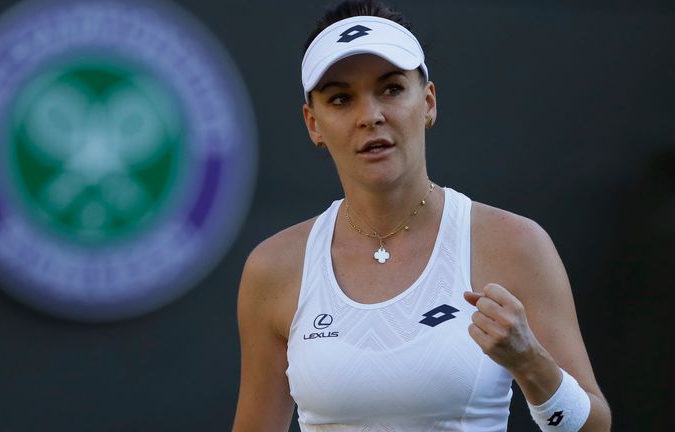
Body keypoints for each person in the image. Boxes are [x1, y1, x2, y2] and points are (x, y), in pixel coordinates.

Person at [233, 1, 612, 430]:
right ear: (313, 124)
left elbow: (594, 427)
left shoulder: (516, 244)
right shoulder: (273, 268)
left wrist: (532, 362)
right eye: (341, 98)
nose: (370, 116)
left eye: (391, 88)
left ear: (428, 102)